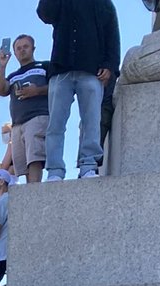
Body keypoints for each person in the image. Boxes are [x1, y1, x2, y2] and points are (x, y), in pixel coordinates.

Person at [38, 0, 121, 180]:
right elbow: (45, 14)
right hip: (61, 70)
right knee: (56, 124)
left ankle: (89, 165)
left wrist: (111, 65)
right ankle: (55, 170)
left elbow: (112, 33)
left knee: (91, 121)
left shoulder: (103, 3)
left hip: (92, 69)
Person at [0, 34, 51, 184]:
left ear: (33, 48)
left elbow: (58, 87)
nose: (22, 50)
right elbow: (0, 90)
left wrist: (37, 90)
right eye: (18, 48)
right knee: (23, 163)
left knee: (34, 157)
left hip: (38, 115)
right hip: (17, 122)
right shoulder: (13, 75)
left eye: (25, 47)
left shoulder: (44, 66)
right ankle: (30, 192)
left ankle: (34, 191)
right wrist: (2, 66)